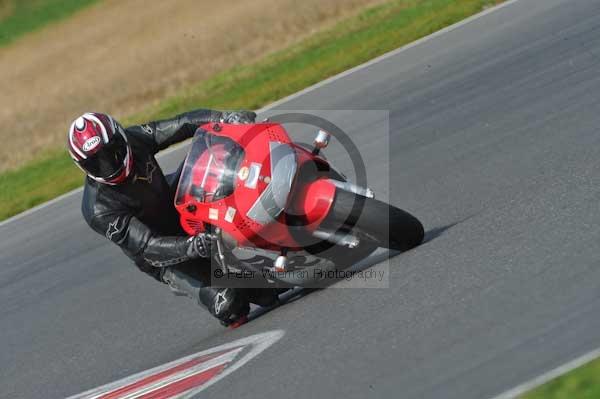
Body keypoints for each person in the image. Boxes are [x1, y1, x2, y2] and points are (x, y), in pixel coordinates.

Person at [67, 109, 277, 326]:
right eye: (97, 163)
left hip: (175, 203)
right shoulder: (98, 210)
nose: (109, 165)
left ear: (121, 137)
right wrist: (192, 246)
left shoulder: (134, 139)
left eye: (113, 152)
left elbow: (181, 123)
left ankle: (270, 205)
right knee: (231, 304)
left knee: (218, 153)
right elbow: (148, 245)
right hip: (165, 257)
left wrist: (223, 118)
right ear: (82, 166)